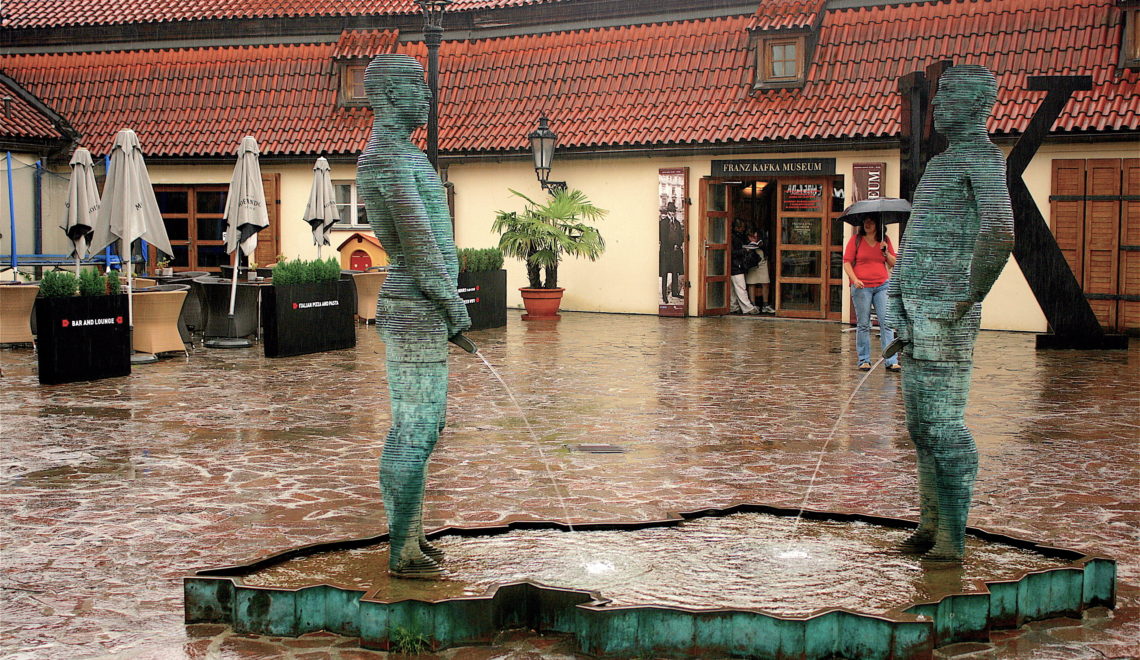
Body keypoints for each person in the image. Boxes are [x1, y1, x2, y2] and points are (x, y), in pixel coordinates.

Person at [886, 64, 1014, 562]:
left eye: (949, 96)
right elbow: (915, 241)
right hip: (915, 309)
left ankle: (953, 539)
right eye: (938, 96)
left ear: (979, 105)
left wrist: (968, 294)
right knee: (920, 428)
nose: (937, 105)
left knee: (944, 426)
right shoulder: (943, 163)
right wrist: (896, 299)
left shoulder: (982, 159)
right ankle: (929, 523)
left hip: (944, 314)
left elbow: (1000, 231)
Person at [357, 55, 471, 578]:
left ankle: (413, 537)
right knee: (416, 428)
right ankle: (401, 547)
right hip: (415, 302)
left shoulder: (402, 153)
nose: (428, 97)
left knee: (427, 425)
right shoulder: (388, 158)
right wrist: (453, 305)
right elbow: (420, 245)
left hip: (422, 303)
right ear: (393, 96)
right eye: (418, 88)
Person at [842, 215, 898, 371]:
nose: (867, 224)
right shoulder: (856, 240)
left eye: (871, 221)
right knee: (863, 324)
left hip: (882, 285)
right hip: (862, 287)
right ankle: (864, 360)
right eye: (865, 221)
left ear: (877, 224)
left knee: (886, 323)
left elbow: (894, 264)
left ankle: (891, 360)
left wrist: (886, 252)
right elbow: (847, 262)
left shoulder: (884, 241)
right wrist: (854, 279)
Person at [729, 219, 759, 314]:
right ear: (736, 227)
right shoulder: (733, 237)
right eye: (741, 227)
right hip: (735, 264)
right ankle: (748, 308)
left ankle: (733, 306)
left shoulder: (738, 236)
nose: (743, 229)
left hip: (736, 264)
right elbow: (731, 252)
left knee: (734, 288)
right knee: (740, 286)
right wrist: (744, 250)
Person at [744, 229, 774, 313]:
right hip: (752, 263)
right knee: (751, 282)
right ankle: (753, 305)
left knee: (765, 282)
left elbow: (768, 250)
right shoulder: (745, 240)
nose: (753, 238)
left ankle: (765, 304)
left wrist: (761, 245)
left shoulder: (764, 240)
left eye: (755, 237)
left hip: (762, 262)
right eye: (751, 237)